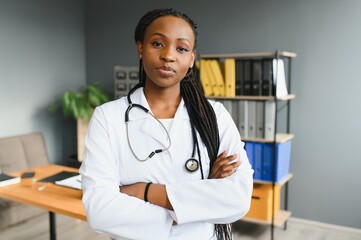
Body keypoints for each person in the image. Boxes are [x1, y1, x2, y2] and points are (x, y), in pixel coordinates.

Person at [80, 8, 253, 240]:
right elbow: (99, 209)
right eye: (158, 44)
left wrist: (145, 192)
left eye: (181, 48)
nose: (169, 56)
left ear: (191, 59)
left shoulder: (215, 115)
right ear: (140, 48)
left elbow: (238, 198)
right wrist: (198, 201)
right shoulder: (108, 117)